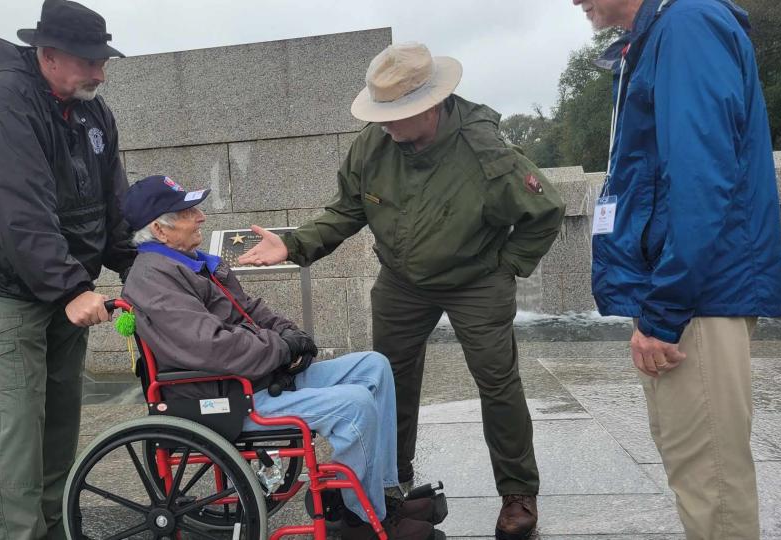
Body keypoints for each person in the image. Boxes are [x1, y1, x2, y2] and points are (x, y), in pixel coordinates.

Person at [239, 42, 564, 539]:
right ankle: (392, 481)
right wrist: (293, 245)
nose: (383, 124)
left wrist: (509, 266)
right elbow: (346, 210)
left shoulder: (486, 150)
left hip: (476, 280)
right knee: (390, 380)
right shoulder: (373, 145)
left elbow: (546, 212)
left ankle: (518, 491)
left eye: (394, 114)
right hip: (403, 283)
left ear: (428, 107)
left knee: (498, 384)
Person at [121, 175, 445, 540]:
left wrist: (293, 335)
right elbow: (213, 346)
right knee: (354, 405)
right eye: (188, 211)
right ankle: (363, 518)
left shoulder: (189, 261)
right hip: (224, 397)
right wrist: (280, 350)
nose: (201, 217)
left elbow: (251, 310)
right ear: (159, 231)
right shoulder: (152, 279)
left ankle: (377, 495)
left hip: (252, 377)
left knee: (374, 366)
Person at [570, 1, 781, 539]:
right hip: (692, 293)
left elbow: (701, 177)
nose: (573, 1)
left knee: (711, 485)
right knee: (699, 471)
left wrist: (663, 312)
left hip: (697, 297)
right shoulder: (664, 33)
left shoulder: (686, 27)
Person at [0, 1, 134, 537]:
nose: (100, 73)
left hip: (64, 287)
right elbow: (19, 209)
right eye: (89, 61)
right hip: (10, 288)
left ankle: (50, 527)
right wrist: (71, 286)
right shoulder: (5, 103)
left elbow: (111, 198)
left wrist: (132, 263)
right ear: (48, 55)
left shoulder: (91, 108)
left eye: (103, 61)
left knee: (60, 421)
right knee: (20, 429)